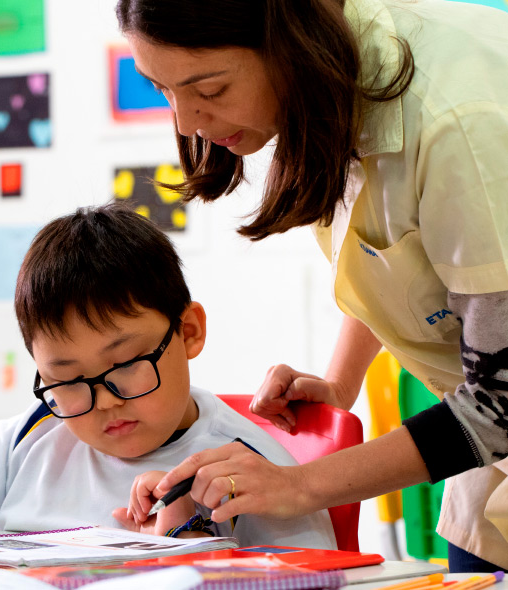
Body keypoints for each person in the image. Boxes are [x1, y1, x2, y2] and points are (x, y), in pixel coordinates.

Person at [115, 0, 508, 572]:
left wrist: (299, 485)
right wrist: (340, 383)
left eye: (212, 89)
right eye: (161, 89)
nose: (185, 121)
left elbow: (501, 400)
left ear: (291, 39)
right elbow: (399, 253)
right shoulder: (337, 83)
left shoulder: (458, 121)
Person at [0, 203, 335, 549]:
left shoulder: (249, 471)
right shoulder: (34, 434)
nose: (107, 401)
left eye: (126, 364)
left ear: (188, 332)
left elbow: (319, 575)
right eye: (70, 381)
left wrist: (192, 545)